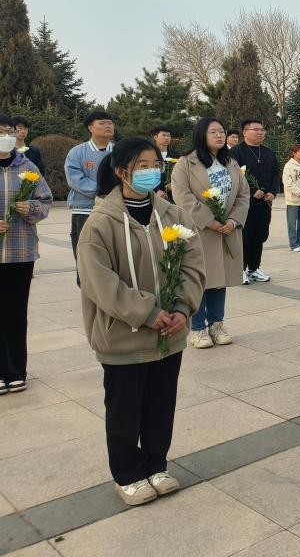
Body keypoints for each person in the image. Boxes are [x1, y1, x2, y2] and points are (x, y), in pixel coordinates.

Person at [77, 136, 205, 506]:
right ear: (121, 172)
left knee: (160, 404)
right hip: (123, 337)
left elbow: (193, 263)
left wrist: (182, 308)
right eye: (142, 166)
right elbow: (99, 282)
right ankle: (127, 474)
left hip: (169, 333)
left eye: (155, 165)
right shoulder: (100, 224)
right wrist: (147, 312)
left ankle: (155, 464)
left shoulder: (172, 215)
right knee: (124, 410)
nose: (151, 172)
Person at [172, 117, 248, 349]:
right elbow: (182, 197)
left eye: (222, 131)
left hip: (226, 231)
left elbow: (243, 194)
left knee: (219, 280)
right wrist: (209, 220)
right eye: (213, 131)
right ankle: (198, 329)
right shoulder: (186, 163)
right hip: (200, 231)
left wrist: (233, 220)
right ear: (201, 135)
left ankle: (217, 325)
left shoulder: (230, 162)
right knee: (200, 279)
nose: (219, 135)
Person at [0, 113, 53, 395]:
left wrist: (29, 208)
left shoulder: (27, 166)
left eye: (10, 131)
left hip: (20, 252)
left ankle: (15, 371)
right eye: (1, 131)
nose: (7, 136)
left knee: (16, 313)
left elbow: (45, 201)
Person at [65, 110, 116, 280]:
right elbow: (75, 179)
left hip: (116, 210)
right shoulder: (77, 152)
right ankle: (87, 288)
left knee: (114, 255)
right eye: (102, 123)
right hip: (85, 211)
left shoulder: (120, 150)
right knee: (86, 255)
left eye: (110, 123)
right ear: (90, 128)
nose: (108, 126)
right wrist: (104, 191)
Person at [230, 119, 278, 284]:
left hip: (264, 203)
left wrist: (272, 192)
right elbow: (233, 176)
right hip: (245, 204)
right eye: (256, 129)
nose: (260, 132)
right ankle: (240, 269)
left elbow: (275, 173)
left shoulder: (269, 153)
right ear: (245, 132)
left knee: (260, 236)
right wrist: (251, 191)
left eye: (262, 129)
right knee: (245, 237)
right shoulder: (235, 153)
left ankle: (254, 268)